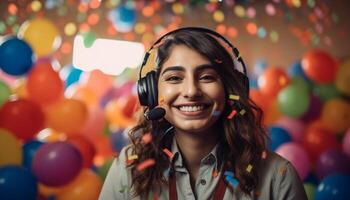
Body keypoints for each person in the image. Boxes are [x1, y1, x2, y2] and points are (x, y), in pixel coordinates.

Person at [99, 27, 307, 200]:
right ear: (152, 92)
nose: (191, 91)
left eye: (207, 77)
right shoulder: (128, 168)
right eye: (174, 78)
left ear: (230, 90)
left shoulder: (278, 177)